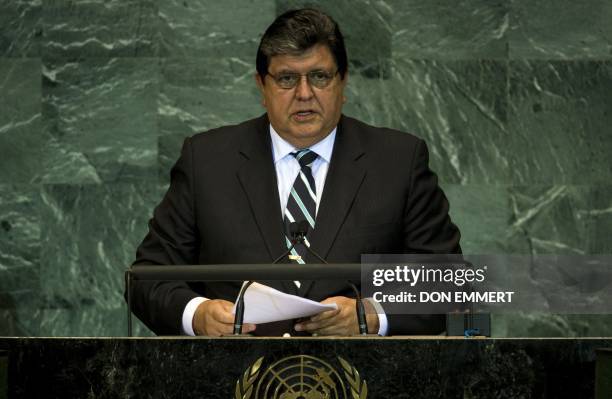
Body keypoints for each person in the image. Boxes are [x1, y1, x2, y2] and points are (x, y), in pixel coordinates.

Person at [128, 8, 461, 337]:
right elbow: (148, 278)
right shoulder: (207, 160)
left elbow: (451, 282)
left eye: (319, 76)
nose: (304, 94)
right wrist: (198, 314)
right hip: (232, 380)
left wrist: (370, 315)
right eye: (287, 78)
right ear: (261, 85)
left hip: (362, 381)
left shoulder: (397, 161)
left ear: (342, 81)